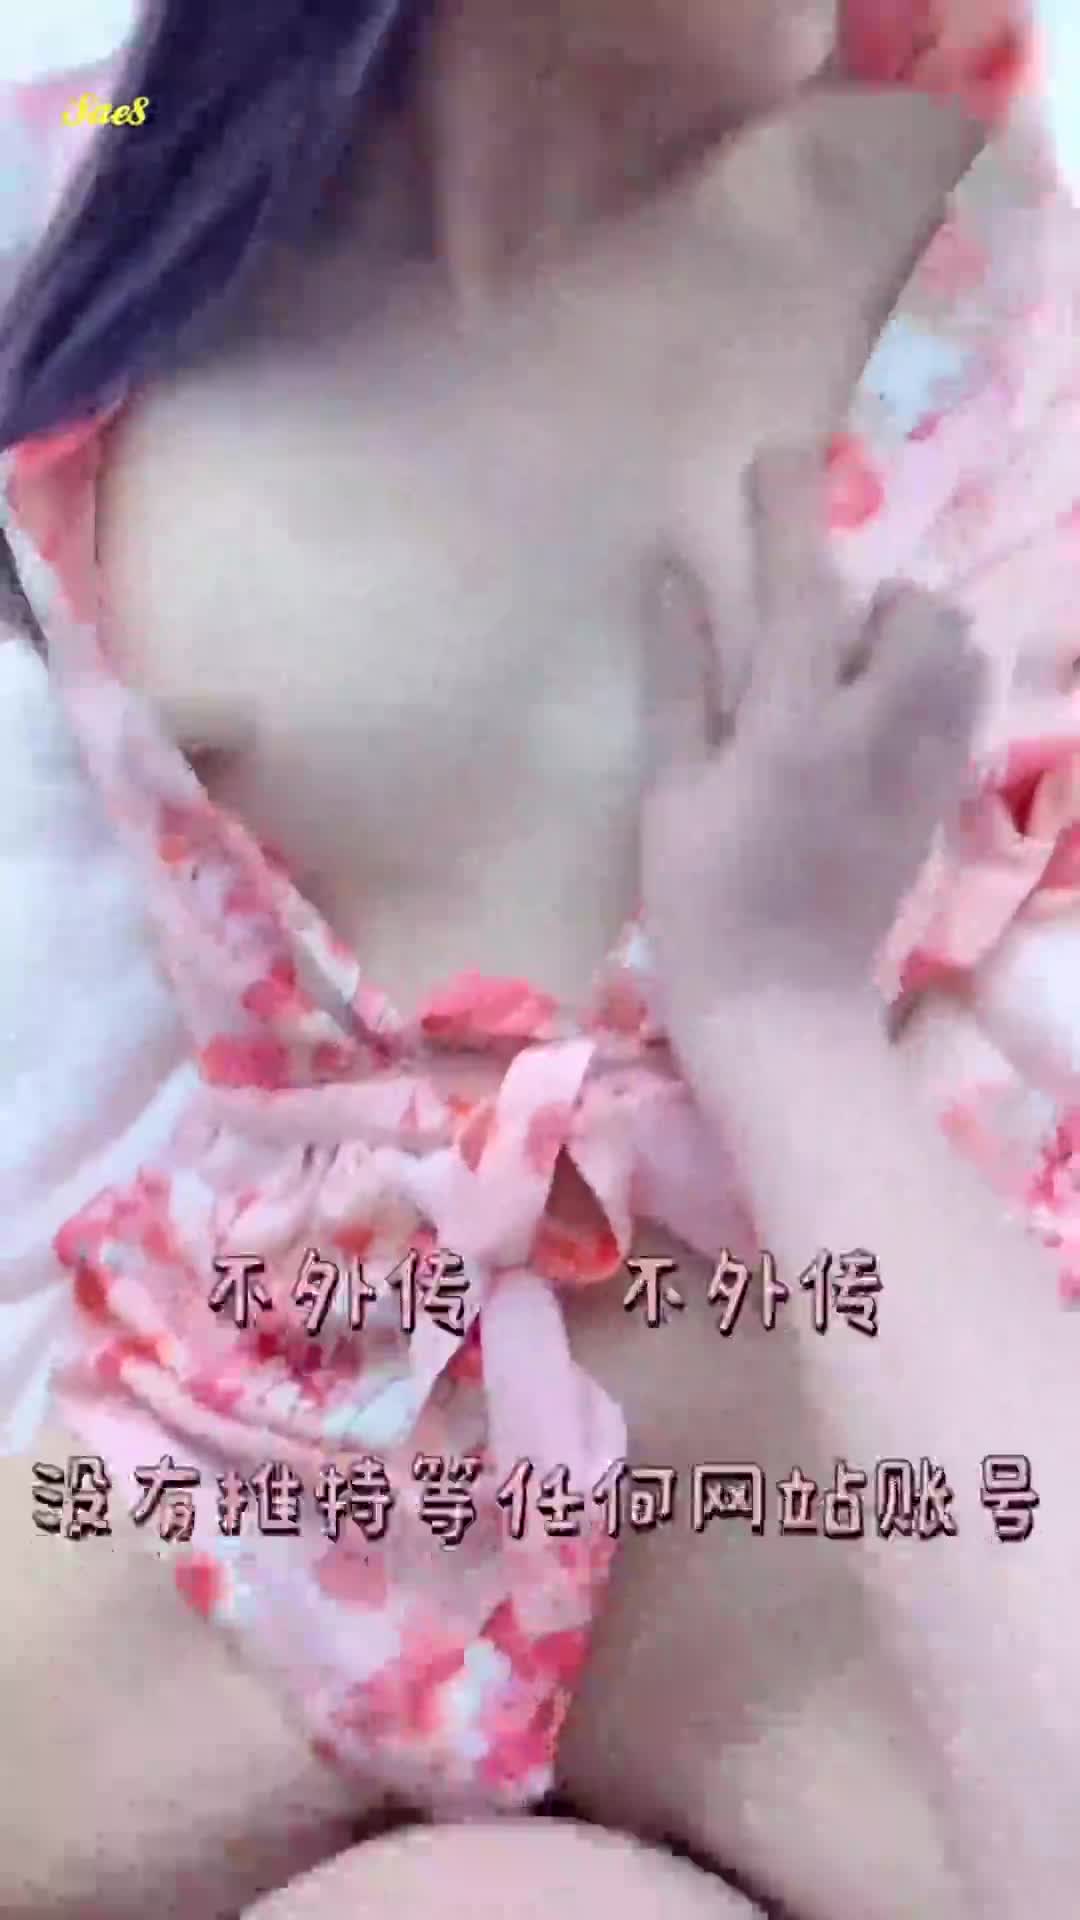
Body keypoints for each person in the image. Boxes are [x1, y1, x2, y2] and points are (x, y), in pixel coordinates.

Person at [1, 2, 1078, 1916]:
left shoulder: (997, 288)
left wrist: (783, 1020)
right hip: (262, 1471)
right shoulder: (96, 186)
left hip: (821, 1493)